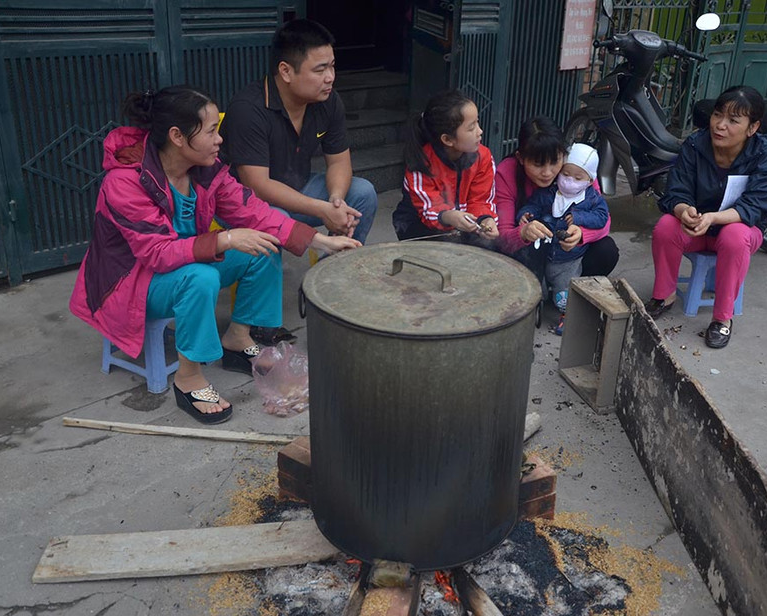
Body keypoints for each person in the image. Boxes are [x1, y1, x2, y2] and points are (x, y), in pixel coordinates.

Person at [69, 86, 360, 425]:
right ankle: (189, 378)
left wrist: (320, 241)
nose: (220, 139)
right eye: (211, 131)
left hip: (181, 263)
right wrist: (226, 238)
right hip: (130, 282)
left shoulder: (205, 170)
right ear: (178, 136)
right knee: (201, 276)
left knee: (263, 246)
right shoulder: (125, 182)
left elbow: (253, 211)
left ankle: (238, 338)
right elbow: (158, 254)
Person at [219, 19, 378, 341]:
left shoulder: (328, 101)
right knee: (272, 221)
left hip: (300, 189)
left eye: (332, 66)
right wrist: (321, 209)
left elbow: (339, 160)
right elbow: (256, 185)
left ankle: (330, 283)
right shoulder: (248, 109)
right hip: (244, 204)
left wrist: (335, 200)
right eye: (320, 70)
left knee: (362, 193)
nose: (330, 77)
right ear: (286, 71)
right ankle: (256, 323)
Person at [644, 85, 767, 349]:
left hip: (738, 232)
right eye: (718, 115)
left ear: (752, 128)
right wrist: (685, 211)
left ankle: (722, 319)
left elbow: (756, 205)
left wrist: (714, 218)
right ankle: (664, 295)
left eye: (733, 120)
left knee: (735, 235)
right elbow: (675, 191)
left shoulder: (764, 154)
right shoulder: (695, 145)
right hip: (697, 229)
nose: (720, 125)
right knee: (666, 226)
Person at [494, 116, 619, 296]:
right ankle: (541, 290)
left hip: (564, 254)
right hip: (526, 251)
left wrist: (582, 235)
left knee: (606, 250)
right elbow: (502, 237)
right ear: (521, 158)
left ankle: (565, 291)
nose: (547, 173)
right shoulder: (507, 173)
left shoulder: (576, 168)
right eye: (538, 164)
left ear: (563, 155)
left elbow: (604, 220)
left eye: (555, 162)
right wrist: (522, 233)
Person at [517, 143, 609, 334]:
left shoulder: (592, 198)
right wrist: (525, 215)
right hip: (543, 252)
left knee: (564, 290)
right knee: (536, 283)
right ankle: (535, 308)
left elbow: (602, 217)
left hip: (569, 258)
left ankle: (568, 316)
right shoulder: (549, 193)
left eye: (578, 178)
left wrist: (581, 219)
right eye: (566, 174)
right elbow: (533, 205)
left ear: (590, 180)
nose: (569, 181)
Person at [392, 89, 499, 244]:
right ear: (448, 140)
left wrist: (485, 219)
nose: (480, 131)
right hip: (419, 226)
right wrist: (448, 216)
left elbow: (480, 200)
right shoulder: (421, 163)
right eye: (471, 128)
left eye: (478, 122)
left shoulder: (483, 157)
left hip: (462, 222)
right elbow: (429, 210)